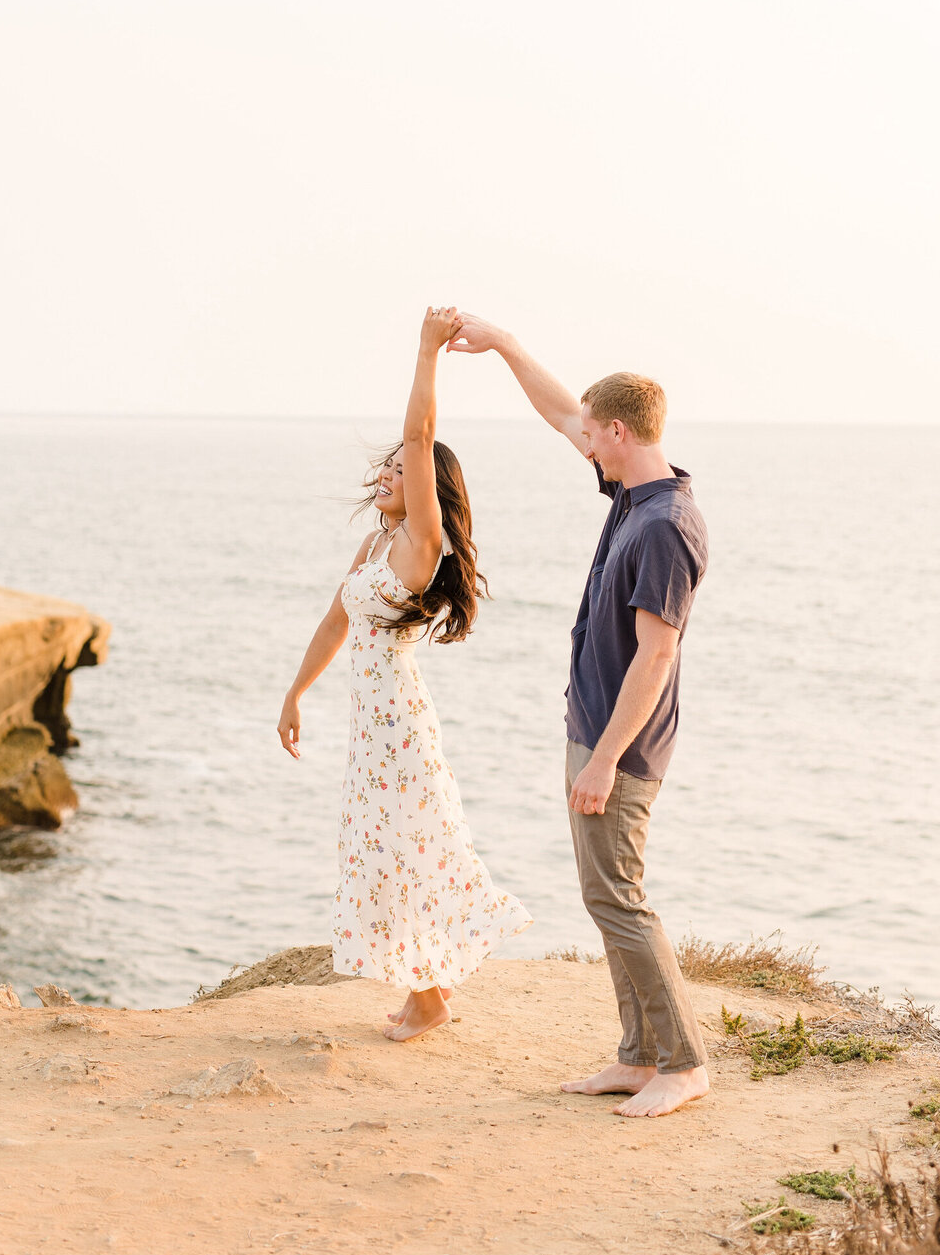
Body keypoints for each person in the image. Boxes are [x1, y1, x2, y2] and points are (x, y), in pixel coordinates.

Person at [448, 313, 710, 1116]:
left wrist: (603, 759)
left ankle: (685, 1063)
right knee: (604, 898)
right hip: (592, 729)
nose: (582, 443)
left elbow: (656, 655)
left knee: (621, 898)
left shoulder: (665, 526)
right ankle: (637, 1056)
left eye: (594, 435)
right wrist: (507, 348)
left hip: (620, 747)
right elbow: (564, 412)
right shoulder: (634, 491)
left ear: (622, 432)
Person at [278, 305, 530, 1041]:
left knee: (407, 844)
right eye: (385, 466)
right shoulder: (374, 543)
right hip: (374, 730)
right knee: (394, 844)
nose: (391, 472)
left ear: (427, 489)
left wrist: (427, 352)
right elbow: (335, 621)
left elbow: (421, 435)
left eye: (403, 469)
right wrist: (296, 691)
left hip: (402, 729)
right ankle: (431, 989)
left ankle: (427, 999)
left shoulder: (423, 544)